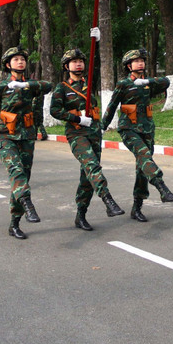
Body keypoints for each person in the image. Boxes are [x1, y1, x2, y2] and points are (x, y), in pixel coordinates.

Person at [0, 47, 52, 239]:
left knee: (23, 177)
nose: (20, 62)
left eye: (22, 59)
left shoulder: (30, 85)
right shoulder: (0, 86)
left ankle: (14, 224)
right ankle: (27, 203)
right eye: (15, 59)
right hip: (4, 136)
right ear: (8, 65)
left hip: (26, 136)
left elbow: (48, 85)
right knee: (16, 171)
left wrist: (23, 86)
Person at [51, 45, 124, 231]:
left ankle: (81, 215)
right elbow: (55, 110)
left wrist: (97, 41)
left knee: (87, 176)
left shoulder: (90, 81)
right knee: (92, 165)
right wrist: (76, 118)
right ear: (66, 66)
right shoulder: (62, 88)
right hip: (76, 133)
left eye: (81, 61)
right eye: (74, 62)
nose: (78, 64)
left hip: (93, 132)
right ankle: (108, 199)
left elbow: (97, 60)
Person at [101, 48, 173, 223]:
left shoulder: (148, 82)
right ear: (129, 66)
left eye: (142, 60)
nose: (140, 63)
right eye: (136, 61)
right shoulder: (123, 84)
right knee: (144, 156)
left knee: (143, 168)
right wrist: (102, 128)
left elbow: (166, 81)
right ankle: (162, 188)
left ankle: (137, 208)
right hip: (129, 128)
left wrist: (146, 82)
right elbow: (112, 106)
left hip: (147, 130)